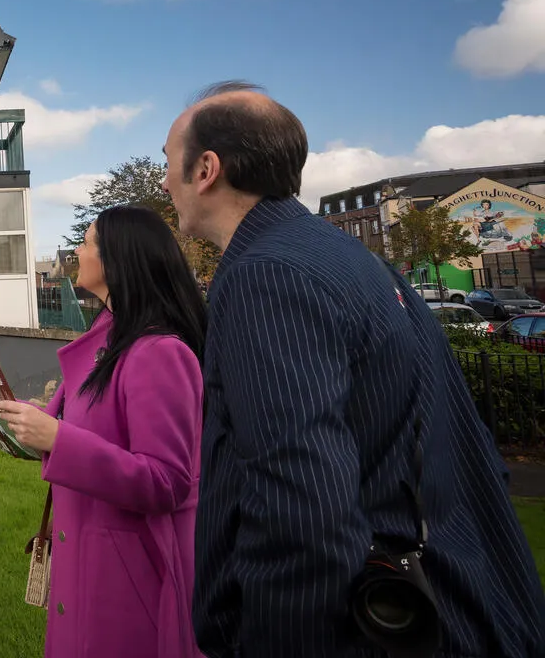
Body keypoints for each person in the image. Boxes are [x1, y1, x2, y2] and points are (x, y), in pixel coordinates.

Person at [162, 80, 545, 658]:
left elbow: (298, 510)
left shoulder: (267, 276)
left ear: (206, 169)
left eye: (169, 161)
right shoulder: (349, 259)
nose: (165, 180)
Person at [0, 205, 207, 657]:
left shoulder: (160, 353)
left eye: (88, 242)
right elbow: (66, 430)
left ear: (118, 260)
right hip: (87, 566)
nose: (77, 250)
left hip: (128, 580)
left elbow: (167, 481)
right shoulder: (110, 342)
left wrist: (57, 437)